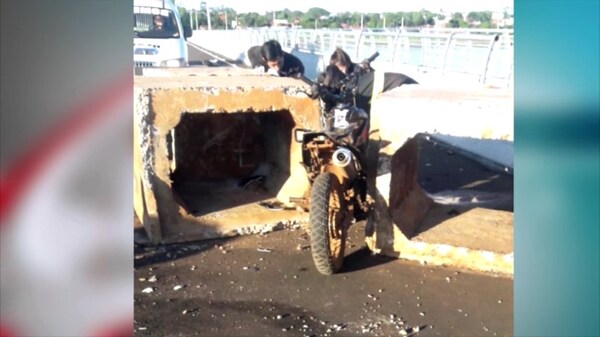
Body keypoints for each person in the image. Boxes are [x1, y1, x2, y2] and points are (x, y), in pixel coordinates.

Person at [317, 47, 418, 114]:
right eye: (339, 68)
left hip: (400, 85)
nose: (344, 71)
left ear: (348, 63)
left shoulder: (357, 70)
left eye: (344, 66)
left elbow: (373, 80)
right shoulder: (332, 77)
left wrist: (368, 69)